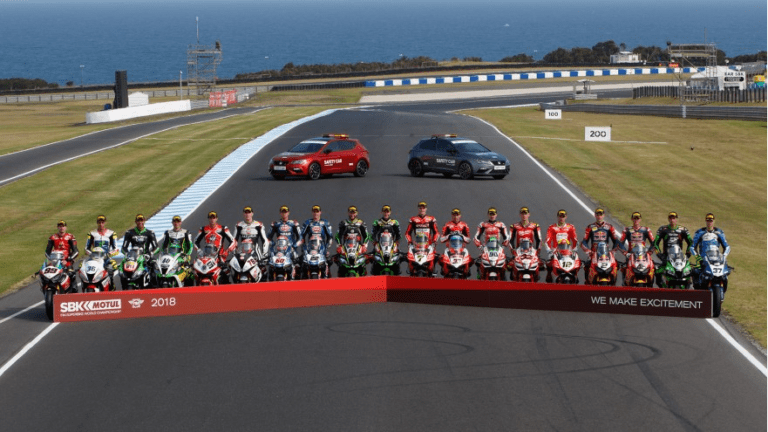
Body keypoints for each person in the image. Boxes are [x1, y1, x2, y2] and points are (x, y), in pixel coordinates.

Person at [580, 207, 622, 282]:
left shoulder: (609, 226)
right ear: (595, 215)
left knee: (616, 265)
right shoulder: (590, 227)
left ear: (603, 215)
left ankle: (613, 282)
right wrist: (588, 251)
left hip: (606, 253)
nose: (599, 216)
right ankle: (588, 283)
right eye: (597, 214)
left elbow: (616, 241)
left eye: (600, 214)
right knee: (587, 266)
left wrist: (613, 251)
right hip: (594, 253)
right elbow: (584, 241)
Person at [653, 211, 694, 287]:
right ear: (668, 219)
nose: (672, 220)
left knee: (690, 271)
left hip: (679, 258)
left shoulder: (683, 230)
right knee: (657, 272)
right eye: (671, 218)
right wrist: (659, 255)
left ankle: (688, 288)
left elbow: (691, 243)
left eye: (674, 218)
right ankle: (662, 289)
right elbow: (655, 243)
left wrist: (688, 254)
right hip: (666, 258)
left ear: (676, 219)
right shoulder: (663, 229)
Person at [691, 213, 730, 288]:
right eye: (708, 220)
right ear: (705, 221)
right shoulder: (700, 232)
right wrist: (698, 258)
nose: (709, 222)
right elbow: (692, 247)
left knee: (724, 273)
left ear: (714, 221)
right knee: (695, 272)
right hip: (703, 259)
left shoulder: (719, 232)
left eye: (711, 221)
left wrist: (724, 257)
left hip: (716, 259)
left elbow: (727, 247)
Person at [195, 211, 236, 278]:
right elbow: (195, 241)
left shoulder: (223, 228)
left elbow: (233, 241)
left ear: (216, 218)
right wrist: (199, 251)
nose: (212, 219)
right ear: (208, 219)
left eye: (213, 218)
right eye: (210, 218)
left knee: (226, 272)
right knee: (197, 271)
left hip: (220, 257)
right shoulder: (203, 229)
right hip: (207, 256)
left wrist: (227, 251)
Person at [619, 212, 656, 284]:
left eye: (637, 218)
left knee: (652, 267)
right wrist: (625, 253)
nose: (636, 220)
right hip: (631, 255)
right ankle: (625, 283)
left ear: (640, 219)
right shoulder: (627, 230)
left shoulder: (646, 230)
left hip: (643, 255)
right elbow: (620, 244)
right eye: (634, 218)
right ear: (632, 219)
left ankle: (650, 283)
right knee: (624, 268)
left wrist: (650, 252)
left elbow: (654, 243)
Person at [544, 209, 578, 283]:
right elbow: (547, 241)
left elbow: (575, 240)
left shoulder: (571, 227)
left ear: (566, 217)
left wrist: (574, 250)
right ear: (557, 217)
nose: (561, 218)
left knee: (576, 263)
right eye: (560, 216)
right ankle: (550, 277)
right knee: (549, 263)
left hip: (567, 251)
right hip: (555, 251)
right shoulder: (552, 227)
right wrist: (549, 251)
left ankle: (575, 277)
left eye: (563, 216)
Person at [301, 205, 333, 277]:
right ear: (312, 212)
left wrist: (327, 248)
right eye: (314, 212)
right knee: (303, 262)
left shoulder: (325, 223)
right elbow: (302, 235)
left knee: (328, 262)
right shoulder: (308, 222)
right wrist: (304, 247)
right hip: (311, 248)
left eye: (317, 211)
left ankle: (327, 278)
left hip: (321, 247)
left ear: (320, 212)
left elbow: (330, 237)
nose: (316, 213)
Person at [371, 205, 402, 275]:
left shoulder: (394, 222)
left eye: (387, 212)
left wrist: (397, 241)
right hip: (380, 244)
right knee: (373, 255)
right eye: (384, 212)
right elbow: (373, 234)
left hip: (391, 244)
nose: (386, 213)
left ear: (390, 212)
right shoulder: (377, 222)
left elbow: (398, 234)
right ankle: (374, 272)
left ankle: (397, 272)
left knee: (398, 255)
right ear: (382, 212)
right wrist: (375, 242)